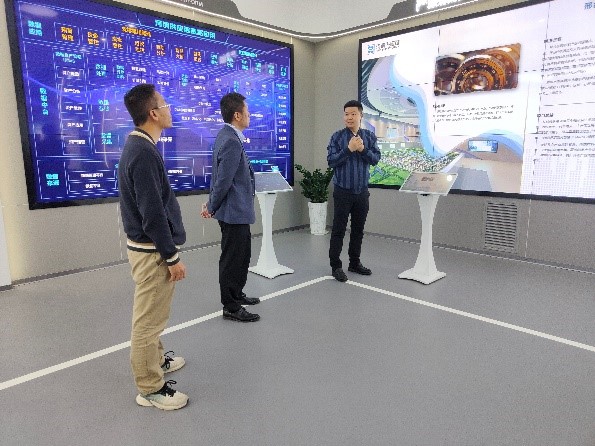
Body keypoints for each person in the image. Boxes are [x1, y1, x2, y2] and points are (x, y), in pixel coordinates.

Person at [118, 84, 188, 410]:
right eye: (165, 103)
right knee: (148, 322)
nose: (169, 108)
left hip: (148, 249)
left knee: (155, 314)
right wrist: (171, 256)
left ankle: (157, 361)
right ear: (153, 113)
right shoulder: (143, 152)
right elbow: (153, 214)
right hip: (153, 254)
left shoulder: (141, 147)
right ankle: (150, 388)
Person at [201, 92, 260, 322]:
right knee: (233, 259)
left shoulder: (226, 136)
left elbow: (220, 177)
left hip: (236, 211)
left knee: (241, 256)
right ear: (237, 115)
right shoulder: (231, 141)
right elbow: (223, 181)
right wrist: (211, 206)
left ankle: (237, 294)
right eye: (247, 112)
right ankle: (231, 306)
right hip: (233, 212)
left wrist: (211, 203)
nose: (249, 115)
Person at [327, 100, 381, 282]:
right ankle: (336, 266)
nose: (349, 117)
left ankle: (354, 263)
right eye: (346, 114)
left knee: (358, 230)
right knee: (338, 230)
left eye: (353, 114)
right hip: (342, 191)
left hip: (362, 192)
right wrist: (349, 149)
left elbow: (375, 159)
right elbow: (331, 161)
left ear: (361, 115)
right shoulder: (337, 137)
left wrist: (363, 149)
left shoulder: (369, 137)